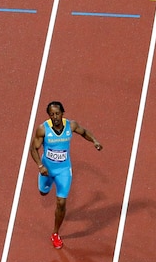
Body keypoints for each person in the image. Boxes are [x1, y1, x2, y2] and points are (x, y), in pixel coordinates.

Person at [28, 101, 102, 249]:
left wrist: (94, 141)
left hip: (64, 170)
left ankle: (55, 234)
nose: (55, 117)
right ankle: (46, 185)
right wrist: (40, 166)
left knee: (61, 203)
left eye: (57, 113)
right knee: (43, 192)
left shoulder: (71, 125)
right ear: (49, 115)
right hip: (47, 170)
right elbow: (33, 149)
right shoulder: (42, 129)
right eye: (52, 114)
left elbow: (84, 132)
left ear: (62, 113)